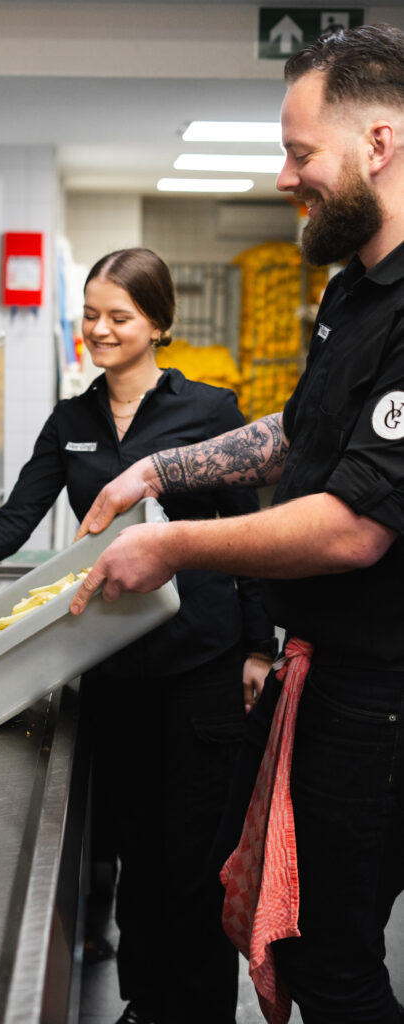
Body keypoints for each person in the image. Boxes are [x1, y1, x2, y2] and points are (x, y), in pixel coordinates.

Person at [70, 23, 404, 1024]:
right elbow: (297, 434)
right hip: (325, 670)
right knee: (277, 917)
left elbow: (351, 527)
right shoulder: (353, 290)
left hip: (382, 691)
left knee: (330, 957)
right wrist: (156, 469)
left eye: (299, 153)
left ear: (378, 144)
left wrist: (171, 541)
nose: (284, 177)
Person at [0, 246, 276, 1024]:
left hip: (202, 662)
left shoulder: (209, 412)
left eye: (117, 316)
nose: (98, 329)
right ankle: (146, 1003)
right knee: (133, 849)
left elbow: (248, 532)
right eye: (89, 315)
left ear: (158, 324)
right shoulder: (72, 422)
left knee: (194, 857)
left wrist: (259, 646)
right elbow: (15, 519)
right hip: (110, 663)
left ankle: (195, 1012)